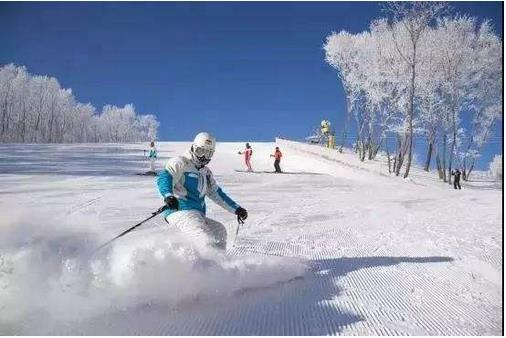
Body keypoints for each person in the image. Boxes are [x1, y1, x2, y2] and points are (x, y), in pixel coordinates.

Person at [157, 132, 248, 250]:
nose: (204, 157)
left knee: (219, 231)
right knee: (204, 240)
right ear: (193, 148)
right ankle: (205, 266)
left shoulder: (206, 173)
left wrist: (236, 209)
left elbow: (217, 194)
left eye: (209, 153)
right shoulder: (181, 162)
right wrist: (168, 196)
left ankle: (219, 262)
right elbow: (165, 177)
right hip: (179, 211)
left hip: (197, 215)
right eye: (201, 151)